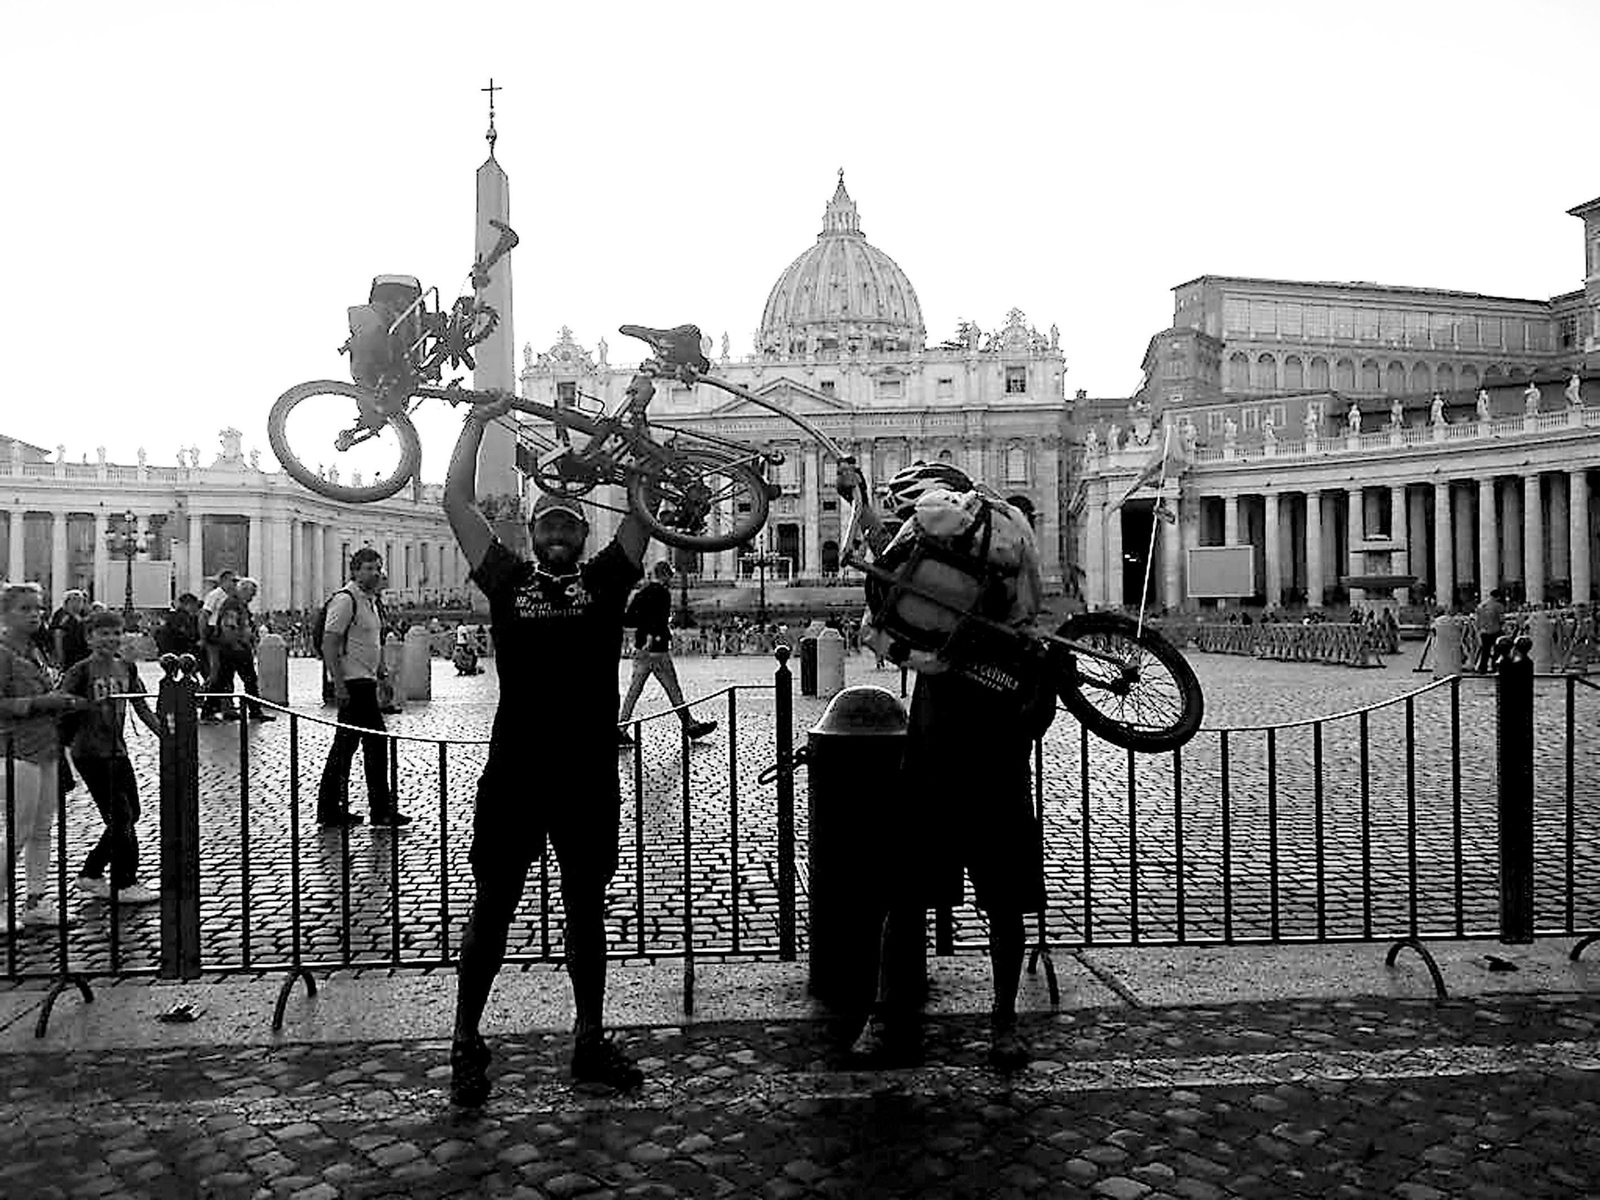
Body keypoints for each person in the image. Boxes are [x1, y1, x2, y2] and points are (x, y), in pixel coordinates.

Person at [444, 389, 657, 1107]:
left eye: (570, 524)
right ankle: (466, 1039)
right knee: (492, 910)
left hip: (587, 773)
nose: (561, 533)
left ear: (584, 536)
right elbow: (455, 502)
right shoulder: (507, 579)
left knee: (586, 911)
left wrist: (639, 433)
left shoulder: (607, 582)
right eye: (550, 524)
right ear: (534, 533)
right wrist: (475, 423)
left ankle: (589, 1037)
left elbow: (644, 508)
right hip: (516, 772)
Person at [836, 459, 1051, 1071]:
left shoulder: (1014, 645)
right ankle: (908, 1018)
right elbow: (887, 563)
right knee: (913, 901)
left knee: (976, 904)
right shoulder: (951, 629)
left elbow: (1038, 718)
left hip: (977, 777)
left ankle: (985, 1021)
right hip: (947, 775)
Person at [0, 582, 89, 934]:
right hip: (15, 746)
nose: (34, 614)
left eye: (38, 608)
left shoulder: (40, 652)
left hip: (48, 745)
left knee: (42, 829)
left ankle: (37, 899)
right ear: (6, 614)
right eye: (25, 608)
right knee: (16, 831)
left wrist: (65, 702)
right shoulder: (3, 653)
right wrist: (38, 704)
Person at [60, 611, 161, 904]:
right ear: (89, 637)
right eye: (103, 633)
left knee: (132, 814)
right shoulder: (80, 671)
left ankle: (91, 873)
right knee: (121, 816)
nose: (111, 639)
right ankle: (124, 881)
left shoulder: (126, 668)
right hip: (89, 752)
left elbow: (140, 706)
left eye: (116, 633)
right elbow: (63, 702)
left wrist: (166, 736)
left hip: (118, 750)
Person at [316, 549, 407, 827]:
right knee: (370, 744)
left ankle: (333, 807)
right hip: (353, 684)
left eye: (378, 568)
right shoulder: (346, 601)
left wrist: (382, 675)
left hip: (366, 681)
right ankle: (377, 808)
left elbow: (371, 643)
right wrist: (339, 685)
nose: (375, 573)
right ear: (355, 571)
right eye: (368, 568)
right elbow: (329, 643)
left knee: (351, 746)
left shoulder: (370, 601)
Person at [616, 561, 717, 746]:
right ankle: (691, 726)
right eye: (670, 575)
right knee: (673, 689)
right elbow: (660, 620)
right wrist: (652, 637)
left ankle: (621, 729)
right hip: (657, 649)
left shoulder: (641, 593)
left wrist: (642, 631)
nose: (671, 579)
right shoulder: (662, 593)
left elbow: (628, 618)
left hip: (640, 650)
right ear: (665, 575)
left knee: (634, 691)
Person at [204, 577, 275, 722]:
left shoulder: (238, 604)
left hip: (233, 647)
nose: (253, 597)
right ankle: (254, 712)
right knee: (247, 679)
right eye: (252, 593)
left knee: (222, 680)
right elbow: (228, 626)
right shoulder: (233, 604)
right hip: (235, 648)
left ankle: (209, 710)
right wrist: (236, 644)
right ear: (243, 591)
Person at [198, 570, 238, 719]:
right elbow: (204, 615)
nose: (234, 584)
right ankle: (199, 698)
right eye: (232, 581)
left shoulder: (229, 597)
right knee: (215, 673)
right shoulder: (215, 595)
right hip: (214, 638)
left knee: (225, 673)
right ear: (223, 581)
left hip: (224, 638)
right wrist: (203, 637)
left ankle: (226, 706)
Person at [47, 589, 90, 671]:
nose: (77, 603)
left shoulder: (83, 616)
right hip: (68, 658)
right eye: (74, 600)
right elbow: (58, 636)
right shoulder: (62, 616)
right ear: (67, 602)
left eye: (80, 601)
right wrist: (60, 660)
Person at [155, 593, 203, 659]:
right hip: (180, 653)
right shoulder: (185, 618)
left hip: (167, 653)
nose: (196, 608)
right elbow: (189, 636)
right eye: (195, 605)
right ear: (189, 605)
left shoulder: (172, 616)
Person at [1474, 588, 1505, 674]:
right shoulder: (1498, 606)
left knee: (1485, 651)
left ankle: (1482, 668)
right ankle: (1494, 667)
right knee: (1497, 650)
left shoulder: (1481, 606)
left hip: (1484, 631)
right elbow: (1501, 619)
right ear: (1498, 597)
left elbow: (1477, 620)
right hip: (1495, 630)